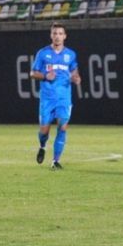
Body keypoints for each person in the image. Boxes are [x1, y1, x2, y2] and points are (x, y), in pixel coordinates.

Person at [30, 22, 81, 171]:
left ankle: (55, 161)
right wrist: (46, 76)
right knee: (44, 131)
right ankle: (42, 146)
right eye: (55, 33)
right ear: (51, 35)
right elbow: (33, 73)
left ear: (65, 36)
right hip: (47, 98)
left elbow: (74, 72)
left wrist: (76, 78)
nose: (57, 36)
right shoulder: (43, 53)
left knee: (62, 127)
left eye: (60, 34)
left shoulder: (70, 54)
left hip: (64, 97)